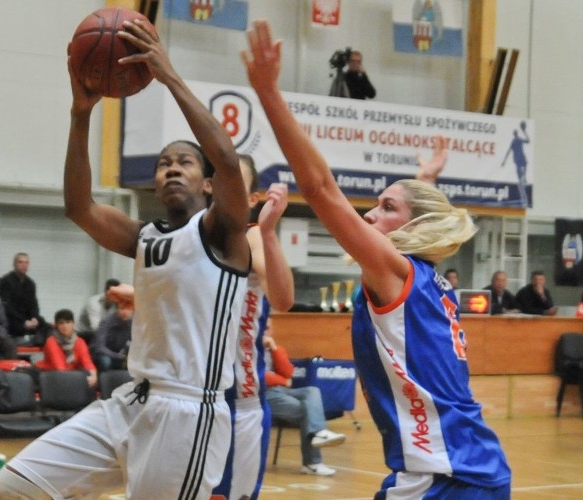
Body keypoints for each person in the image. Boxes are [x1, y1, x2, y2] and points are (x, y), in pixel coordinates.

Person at [242, 20, 511, 498]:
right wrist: (423, 179)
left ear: (411, 229)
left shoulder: (395, 271)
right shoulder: (421, 276)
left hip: (445, 475)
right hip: (464, 467)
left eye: (386, 208)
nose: (370, 213)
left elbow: (322, 189)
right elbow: (411, 215)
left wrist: (268, 93)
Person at [0, 16, 250, 500]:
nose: (172, 167)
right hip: (129, 401)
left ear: (208, 183)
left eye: (185, 162)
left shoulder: (223, 233)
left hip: (187, 414)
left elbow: (230, 161)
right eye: (163, 163)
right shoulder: (143, 236)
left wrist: (168, 74)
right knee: (14, 487)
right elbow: (80, 207)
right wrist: (81, 112)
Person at [213, 155, 294, 499]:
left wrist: (269, 231)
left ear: (251, 199)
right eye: (217, 178)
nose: (222, 186)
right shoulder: (187, 239)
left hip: (240, 402)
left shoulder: (253, 237)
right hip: (191, 399)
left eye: (235, 180)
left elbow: (282, 296)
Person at [263, 324, 345, 476]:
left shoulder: (274, 349)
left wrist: (274, 348)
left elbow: (288, 372)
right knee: (308, 413)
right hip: (263, 394)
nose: (265, 331)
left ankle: (319, 432)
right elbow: (257, 377)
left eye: (268, 327)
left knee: (312, 391)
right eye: (263, 326)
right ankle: (313, 463)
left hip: (281, 391)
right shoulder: (247, 350)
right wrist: (282, 380)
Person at [35, 309, 97, 388]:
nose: (65, 326)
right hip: (50, 374)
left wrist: (93, 376)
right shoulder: (51, 341)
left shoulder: (79, 342)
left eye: (68, 322)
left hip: (70, 374)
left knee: (89, 377)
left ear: (73, 324)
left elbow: (87, 362)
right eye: (61, 323)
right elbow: (59, 367)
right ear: (56, 325)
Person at [0, 252, 48, 347]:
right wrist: (24, 322)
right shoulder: (6, 281)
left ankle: (37, 341)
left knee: (45, 324)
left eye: (26, 263)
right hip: (12, 318)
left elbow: (34, 304)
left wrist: (34, 318)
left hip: (28, 318)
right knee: (12, 324)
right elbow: (7, 307)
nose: (24, 265)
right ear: (14, 264)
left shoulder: (30, 283)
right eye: (20, 262)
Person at [90, 302, 133, 373]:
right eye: (122, 308)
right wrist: (120, 357)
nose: (125, 312)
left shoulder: (131, 323)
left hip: (117, 354)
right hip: (100, 354)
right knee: (106, 361)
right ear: (116, 309)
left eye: (128, 309)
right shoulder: (106, 322)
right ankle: (103, 382)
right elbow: (99, 347)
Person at [75, 278, 120, 345]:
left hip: (103, 333)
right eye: (114, 294)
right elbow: (96, 328)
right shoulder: (93, 302)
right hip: (84, 333)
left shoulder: (117, 304)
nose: (116, 297)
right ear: (106, 292)